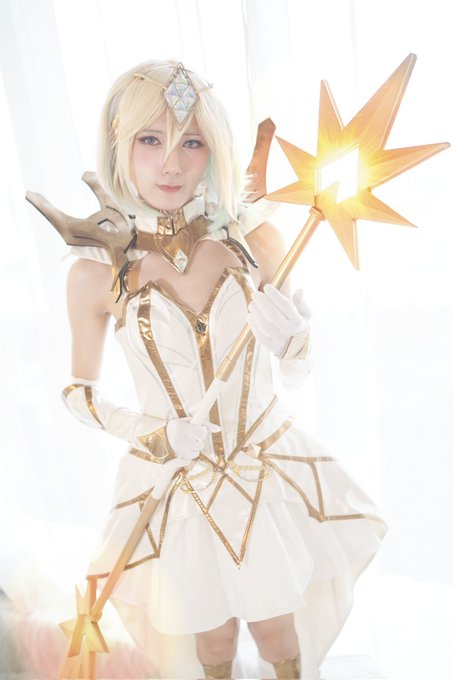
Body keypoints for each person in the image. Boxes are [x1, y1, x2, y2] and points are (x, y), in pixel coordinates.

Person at [29, 60, 386, 679]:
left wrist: (294, 341)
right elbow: (76, 393)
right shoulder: (95, 273)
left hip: (263, 468)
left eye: (191, 142)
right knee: (212, 640)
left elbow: (296, 372)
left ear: (214, 150)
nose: (171, 163)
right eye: (151, 139)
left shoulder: (257, 243)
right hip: (176, 486)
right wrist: (156, 434)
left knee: (277, 629)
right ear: (118, 144)